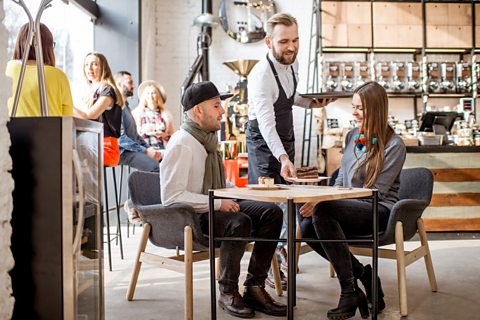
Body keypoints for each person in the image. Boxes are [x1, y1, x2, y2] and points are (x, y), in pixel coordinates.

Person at [160, 81, 286, 318]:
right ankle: (228, 291)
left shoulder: (207, 141)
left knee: (272, 212)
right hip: (192, 218)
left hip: (212, 207)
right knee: (239, 221)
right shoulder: (181, 143)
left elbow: (218, 186)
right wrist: (219, 203)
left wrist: (245, 191)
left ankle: (255, 287)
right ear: (198, 110)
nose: (222, 111)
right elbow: (171, 196)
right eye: (216, 106)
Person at [298, 81, 406, 320]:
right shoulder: (352, 136)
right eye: (354, 107)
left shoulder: (394, 145)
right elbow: (341, 179)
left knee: (323, 211)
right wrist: (320, 198)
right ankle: (363, 275)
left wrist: (326, 203)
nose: (354, 112)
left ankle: (349, 291)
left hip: (378, 209)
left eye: (361, 108)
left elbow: (374, 191)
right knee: (305, 223)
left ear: (377, 109)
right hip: (348, 206)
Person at [246, 12, 333, 287]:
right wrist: (282, 157)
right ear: (268, 42)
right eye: (285, 41)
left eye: (295, 40)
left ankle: (281, 258)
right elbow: (266, 123)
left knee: (288, 202)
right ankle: (266, 271)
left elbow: (290, 97)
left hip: (285, 138)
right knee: (271, 208)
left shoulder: (291, 65)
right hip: (264, 143)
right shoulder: (260, 75)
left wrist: (312, 104)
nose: (292, 46)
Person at [6, 23, 73, 116]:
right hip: (51, 130)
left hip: (10, 130)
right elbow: (67, 119)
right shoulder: (58, 76)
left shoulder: (6, 69)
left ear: (19, 43)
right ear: (48, 46)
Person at [74, 52, 124, 167]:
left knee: (69, 154)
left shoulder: (107, 90)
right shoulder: (87, 92)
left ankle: (83, 185)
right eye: (86, 64)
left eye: (94, 64)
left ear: (103, 68)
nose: (89, 68)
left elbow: (90, 115)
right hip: (90, 143)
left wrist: (65, 103)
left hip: (106, 147)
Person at [114, 71, 162, 172]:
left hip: (132, 150)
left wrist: (149, 148)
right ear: (118, 84)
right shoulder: (115, 106)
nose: (133, 86)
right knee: (155, 167)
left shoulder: (125, 106)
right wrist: (145, 151)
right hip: (122, 152)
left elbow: (135, 136)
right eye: (130, 82)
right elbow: (121, 139)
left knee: (162, 162)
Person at [132, 80, 174, 150]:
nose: (150, 96)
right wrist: (142, 131)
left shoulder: (166, 115)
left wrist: (164, 135)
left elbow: (172, 136)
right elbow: (132, 134)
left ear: (158, 96)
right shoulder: (137, 113)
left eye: (153, 93)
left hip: (161, 150)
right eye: (148, 93)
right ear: (144, 96)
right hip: (144, 149)